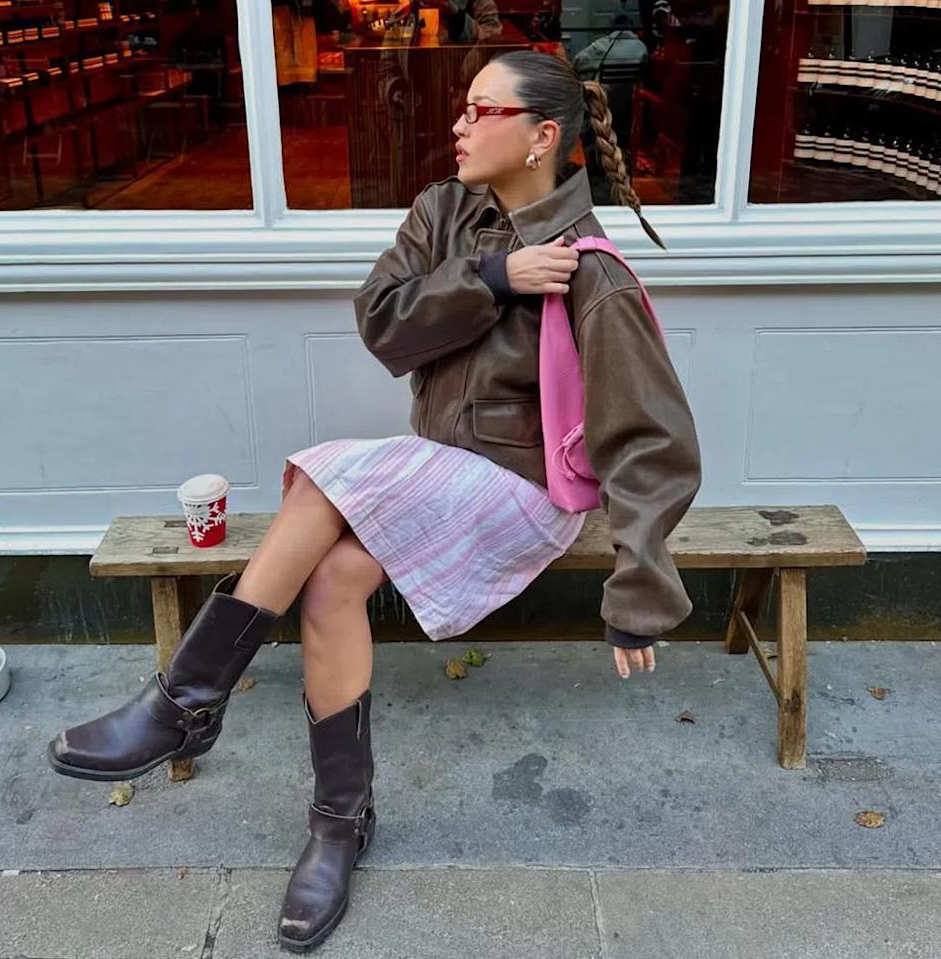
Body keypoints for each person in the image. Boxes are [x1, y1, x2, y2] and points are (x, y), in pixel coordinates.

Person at [46, 48, 702, 953]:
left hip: (520, 496)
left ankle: (185, 700)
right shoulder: (443, 212)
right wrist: (488, 280)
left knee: (322, 474)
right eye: (465, 109)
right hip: (436, 474)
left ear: (543, 135)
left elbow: (652, 440)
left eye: (483, 111)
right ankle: (337, 823)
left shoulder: (593, 271)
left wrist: (639, 590)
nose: (460, 125)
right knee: (329, 583)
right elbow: (381, 324)